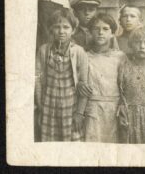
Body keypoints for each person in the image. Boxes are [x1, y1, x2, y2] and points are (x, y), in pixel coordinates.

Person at [35, 9, 88, 142]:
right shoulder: (44, 50)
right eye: (57, 27)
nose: (61, 31)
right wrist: (41, 108)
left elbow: (84, 85)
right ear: (51, 29)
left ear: (73, 30)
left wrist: (79, 113)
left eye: (66, 27)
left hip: (71, 108)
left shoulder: (79, 52)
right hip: (49, 107)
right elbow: (38, 80)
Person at [78, 13, 126, 142]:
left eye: (105, 29)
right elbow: (76, 78)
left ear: (112, 33)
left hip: (115, 109)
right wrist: (79, 84)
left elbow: (126, 85)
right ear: (90, 33)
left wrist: (123, 105)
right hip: (92, 109)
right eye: (96, 29)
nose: (100, 32)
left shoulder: (120, 57)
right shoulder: (84, 56)